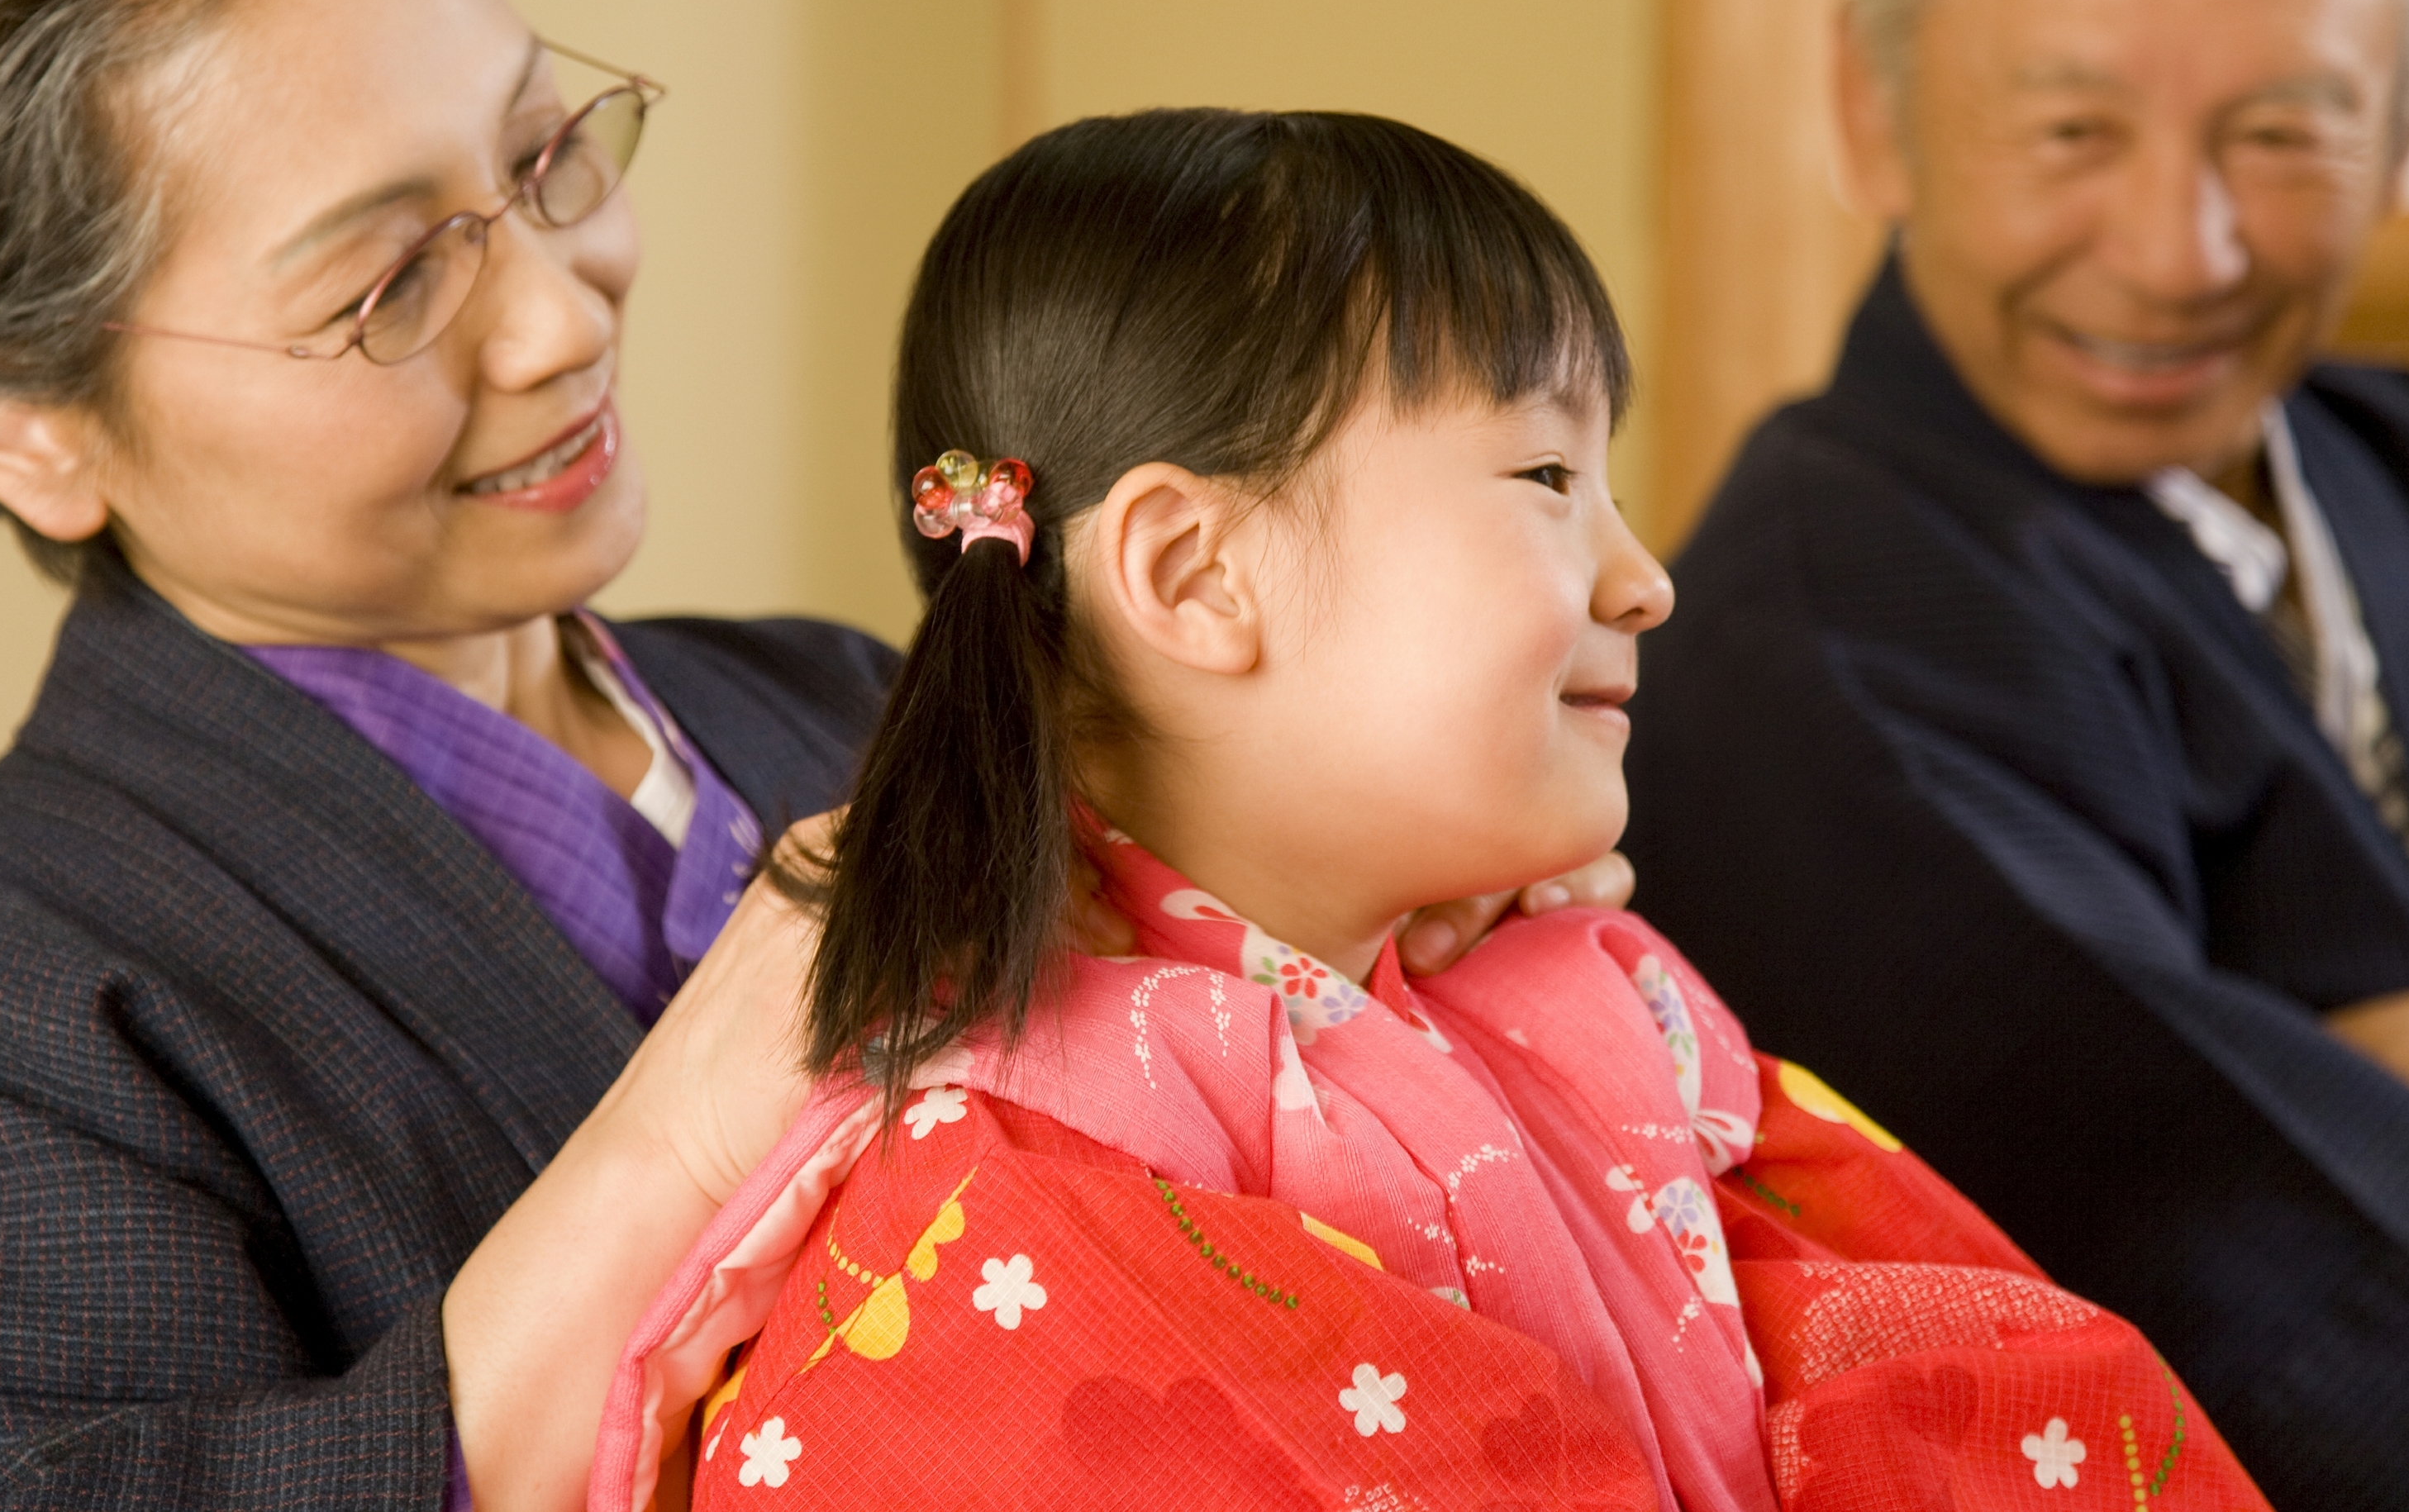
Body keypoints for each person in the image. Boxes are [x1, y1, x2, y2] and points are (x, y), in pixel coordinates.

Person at [0, 0, 1602, 1512]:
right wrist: (684, 1123)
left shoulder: (835, 698)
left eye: (543, 152)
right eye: (383, 287)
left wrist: (1386, 918)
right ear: (10, 414)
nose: (559, 310)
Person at [585, 108, 2274, 1512]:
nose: (1643, 576)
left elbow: (1968, 1386)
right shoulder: (1004, 1175)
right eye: (1545, 477)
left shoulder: (1568, 999)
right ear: (1193, 570)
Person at [1626, 0, 2409, 1512]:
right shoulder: (1814, 649)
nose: (2175, 246)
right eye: (2067, 129)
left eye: (2280, 133)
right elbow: (2376, 1368)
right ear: (1866, 108)